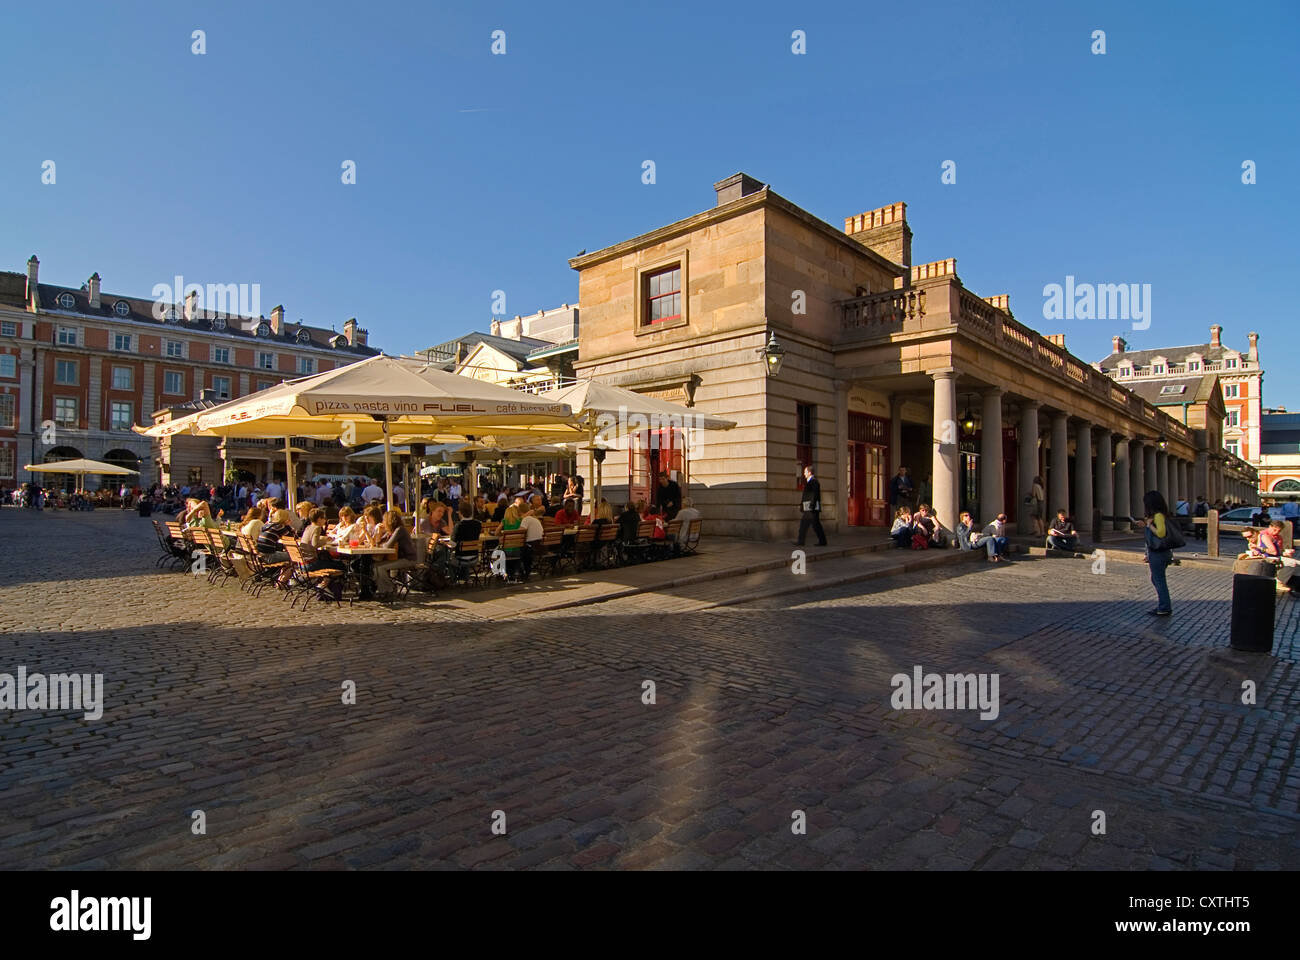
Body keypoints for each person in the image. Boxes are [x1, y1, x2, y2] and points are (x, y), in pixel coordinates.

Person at [1135, 490, 1174, 616]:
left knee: (1159, 580)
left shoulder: (1158, 516)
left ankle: (1164, 607)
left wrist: (1148, 525)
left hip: (1159, 553)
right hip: (1161, 552)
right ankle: (1164, 605)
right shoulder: (1159, 516)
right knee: (1156, 579)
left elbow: (1161, 533)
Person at [374, 510, 418, 600]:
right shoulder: (392, 531)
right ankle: (384, 589)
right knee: (375, 565)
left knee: (380, 567)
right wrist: (379, 532)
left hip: (408, 559)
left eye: (384, 520)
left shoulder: (399, 530)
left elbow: (387, 545)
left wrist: (382, 543)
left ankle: (388, 590)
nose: (382, 522)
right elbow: (378, 543)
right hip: (400, 558)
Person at [796, 465, 827, 547]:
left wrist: (811, 506)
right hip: (809, 507)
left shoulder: (814, 482)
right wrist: (802, 505)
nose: (804, 474)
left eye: (805, 472)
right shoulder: (810, 482)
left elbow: (814, 495)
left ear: (809, 472)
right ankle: (822, 541)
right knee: (814, 524)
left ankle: (801, 541)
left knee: (806, 524)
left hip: (811, 508)